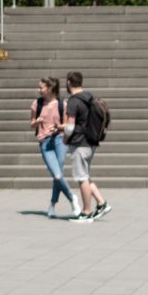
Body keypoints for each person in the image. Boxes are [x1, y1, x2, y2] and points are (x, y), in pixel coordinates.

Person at [62, 71, 111, 222]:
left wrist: (64, 139)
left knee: (81, 177)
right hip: (91, 141)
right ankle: (102, 203)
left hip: (79, 143)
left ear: (69, 82)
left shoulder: (73, 101)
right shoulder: (89, 97)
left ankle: (87, 211)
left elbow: (70, 128)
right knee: (86, 175)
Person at [30, 78, 76, 218]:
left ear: (50, 88)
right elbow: (31, 123)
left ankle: (52, 204)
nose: (39, 90)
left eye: (41, 87)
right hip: (44, 142)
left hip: (60, 140)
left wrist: (58, 127)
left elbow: (68, 125)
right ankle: (72, 198)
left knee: (58, 175)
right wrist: (36, 122)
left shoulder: (63, 104)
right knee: (57, 175)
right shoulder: (36, 104)